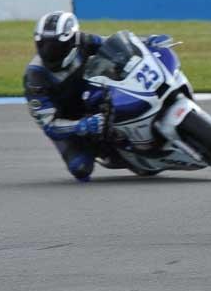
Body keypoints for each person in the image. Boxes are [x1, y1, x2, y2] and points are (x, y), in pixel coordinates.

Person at [23, 11, 170, 181]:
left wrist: (148, 41)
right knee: (81, 168)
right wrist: (82, 126)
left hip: (91, 96)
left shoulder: (84, 41)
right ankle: (118, 156)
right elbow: (50, 125)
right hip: (68, 120)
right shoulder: (35, 77)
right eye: (43, 45)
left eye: (55, 46)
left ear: (72, 40)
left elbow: (113, 43)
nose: (49, 52)